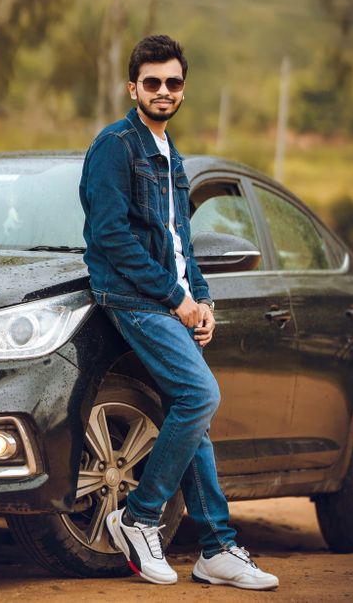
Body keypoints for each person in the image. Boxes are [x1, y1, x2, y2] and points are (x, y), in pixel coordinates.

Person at [79, 35, 279, 590]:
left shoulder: (173, 158)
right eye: (152, 82)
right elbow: (110, 237)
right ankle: (140, 517)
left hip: (170, 300)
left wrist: (203, 299)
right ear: (132, 87)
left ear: (183, 90)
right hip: (132, 298)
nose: (162, 91)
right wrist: (176, 299)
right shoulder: (114, 147)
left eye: (172, 83)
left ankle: (216, 548)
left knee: (194, 421)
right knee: (200, 397)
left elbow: (180, 241)